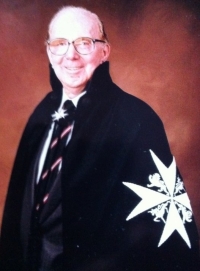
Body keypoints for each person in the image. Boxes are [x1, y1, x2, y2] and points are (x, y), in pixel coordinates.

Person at [0, 5, 199, 271]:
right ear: (49, 51)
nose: (71, 55)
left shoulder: (137, 119)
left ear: (105, 51)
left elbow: (164, 228)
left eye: (84, 43)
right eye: (60, 43)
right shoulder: (42, 115)